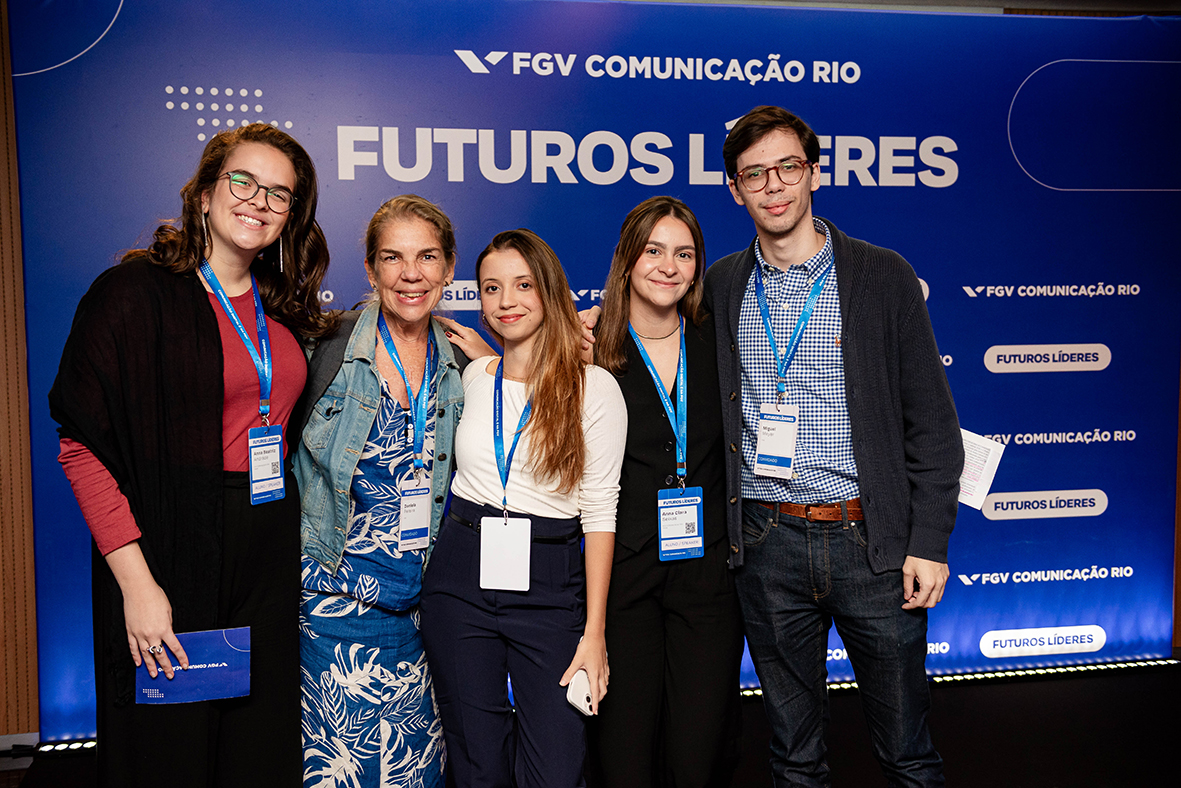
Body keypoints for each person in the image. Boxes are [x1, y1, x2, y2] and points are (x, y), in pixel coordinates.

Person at [49, 124, 335, 786]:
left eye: (280, 194)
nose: (259, 201)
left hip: (265, 548)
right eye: (243, 181)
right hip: (169, 546)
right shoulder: (134, 294)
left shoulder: (283, 307)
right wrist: (137, 584)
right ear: (204, 192)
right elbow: (81, 446)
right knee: (170, 749)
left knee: (255, 749)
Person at [707, 105, 963, 787]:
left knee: (907, 752)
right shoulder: (722, 283)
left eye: (787, 167)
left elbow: (932, 427)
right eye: (753, 174)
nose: (773, 186)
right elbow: (647, 331)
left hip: (869, 545)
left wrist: (929, 541)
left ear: (813, 173)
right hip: (765, 543)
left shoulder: (882, 276)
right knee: (793, 756)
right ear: (734, 188)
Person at [420, 229, 626, 788]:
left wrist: (594, 633)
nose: (505, 300)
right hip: (460, 574)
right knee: (476, 761)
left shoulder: (594, 388)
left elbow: (601, 515)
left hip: (551, 582)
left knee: (556, 769)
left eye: (522, 285)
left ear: (550, 290)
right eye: (491, 287)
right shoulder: (472, 377)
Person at [294, 195, 469, 787]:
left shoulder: (462, 362)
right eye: (393, 258)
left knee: (418, 772)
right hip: (334, 606)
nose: (411, 274)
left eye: (427, 257)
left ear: (448, 268)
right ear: (370, 270)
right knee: (341, 773)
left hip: (426, 611)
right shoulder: (327, 348)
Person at [590, 197, 742, 788]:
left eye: (684, 253)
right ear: (628, 258)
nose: (668, 265)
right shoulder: (591, 350)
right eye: (653, 250)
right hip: (625, 575)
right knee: (623, 751)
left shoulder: (722, 345)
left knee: (698, 753)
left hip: (707, 574)